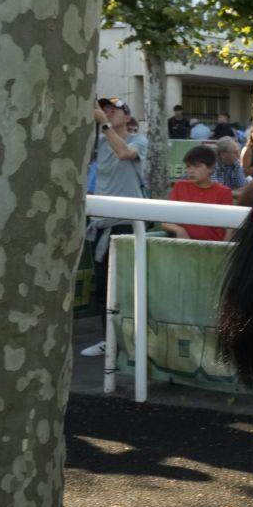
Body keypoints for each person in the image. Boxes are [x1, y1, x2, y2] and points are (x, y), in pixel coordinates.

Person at [80, 99, 148, 356]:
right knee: (102, 289)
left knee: (126, 289)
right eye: (104, 109)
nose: (107, 112)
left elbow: (123, 153)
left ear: (128, 117)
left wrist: (104, 125)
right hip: (100, 224)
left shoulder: (138, 141)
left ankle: (130, 342)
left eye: (113, 110)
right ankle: (108, 340)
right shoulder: (98, 143)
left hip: (127, 226)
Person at [162, 146, 234, 242]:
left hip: (214, 247)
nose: (191, 171)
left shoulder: (224, 192)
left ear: (211, 168)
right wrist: (179, 229)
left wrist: (224, 250)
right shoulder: (179, 186)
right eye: (188, 166)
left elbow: (230, 227)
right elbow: (165, 221)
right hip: (184, 246)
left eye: (197, 166)